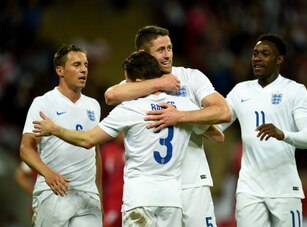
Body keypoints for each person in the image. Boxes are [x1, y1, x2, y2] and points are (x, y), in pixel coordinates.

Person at [33, 50, 225, 226]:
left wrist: (56, 130)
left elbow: (88, 140)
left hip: (140, 199)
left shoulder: (130, 109)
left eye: (129, 82)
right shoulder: (183, 106)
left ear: (139, 83)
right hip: (172, 201)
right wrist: (182, 119)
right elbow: (217, 134)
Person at [104, 25, 231, 227]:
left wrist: (178, 116)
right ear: (143, 54)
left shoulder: (191, 77)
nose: (167, 55)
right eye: (160, 50)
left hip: (192, 181)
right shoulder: (136, 85)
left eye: (169, 48)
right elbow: (111, 95)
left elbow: (223, 112)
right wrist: (159, 84)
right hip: (156, 187)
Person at [219, 33, 307, 227]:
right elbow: (217, 124)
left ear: (279, 59)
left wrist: (283, 134)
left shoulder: (295, 90)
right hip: (249, 189)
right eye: (255, 53)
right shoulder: (240, 91)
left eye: (265, 53)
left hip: (285, 189)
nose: (257, 57)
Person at [19, 44, 103, 227]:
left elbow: (95, 152)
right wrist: (48, 174)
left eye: (86, 65)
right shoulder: (43, 103)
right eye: (76, 65)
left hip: (87, 196)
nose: (83, 70)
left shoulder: (93, 106)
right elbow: (26, 148)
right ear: (60, 70)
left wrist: (99, 193)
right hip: (55, 193)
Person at [101, 133, 125, 227]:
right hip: (110, 203)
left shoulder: (136, 150)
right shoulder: (107, 150)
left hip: (128, 200)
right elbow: (101, 179)